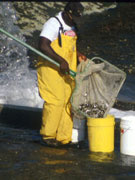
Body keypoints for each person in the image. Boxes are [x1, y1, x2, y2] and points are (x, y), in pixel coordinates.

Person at [37, 2, 87, 147]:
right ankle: (48, 136)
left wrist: (78, 55)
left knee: (67, 101)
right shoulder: (53, 23)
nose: (75, 21)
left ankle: (63, 138)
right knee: (56, 100)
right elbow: (42, 45)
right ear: (67, 13)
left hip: (66, 69)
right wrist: (60, 60)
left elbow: (69, 46)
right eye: (73, 18)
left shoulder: (72, 26)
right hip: (50, 68)